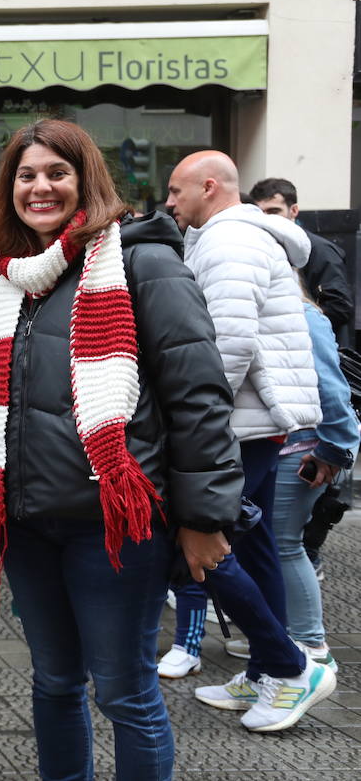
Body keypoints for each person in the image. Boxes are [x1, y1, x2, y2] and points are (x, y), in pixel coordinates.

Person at [0, 119, 243, 777]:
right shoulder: (8, 279)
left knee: (125, 692)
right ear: (8, 190)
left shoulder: (141, 260)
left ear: (85, 181)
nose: (40, 187)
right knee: (54, 683)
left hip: (115, 523)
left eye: (56, 173)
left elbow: (198, 392)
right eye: (26, 176)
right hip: (29, 519)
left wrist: (206, 517)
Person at [166, 151, 336, 732]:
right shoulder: (239, 238)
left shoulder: (229, 241)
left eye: (176, 191)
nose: (168, 202)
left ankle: (290, 667)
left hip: (238, 422)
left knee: (203, 543)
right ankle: (269, 668)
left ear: (209, 187)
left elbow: (226, 345)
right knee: (254, 540)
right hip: (255, 419)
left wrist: (197, 428)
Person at [270, 294, 357, 670]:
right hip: (286, 447)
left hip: (300, 449)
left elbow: (333, 391)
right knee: (278, 546)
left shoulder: (302, 314)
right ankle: (287, 640)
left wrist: (334, 450)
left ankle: (309, 647)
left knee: (286, 545)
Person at [249, 177, 354, 349]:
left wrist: (300, 319)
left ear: (294, 210)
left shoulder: (319, 250)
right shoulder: (263, 246)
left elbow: (340, 306)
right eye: (261, 213)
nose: (267, 218)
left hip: (318, 351)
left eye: (274, 211)